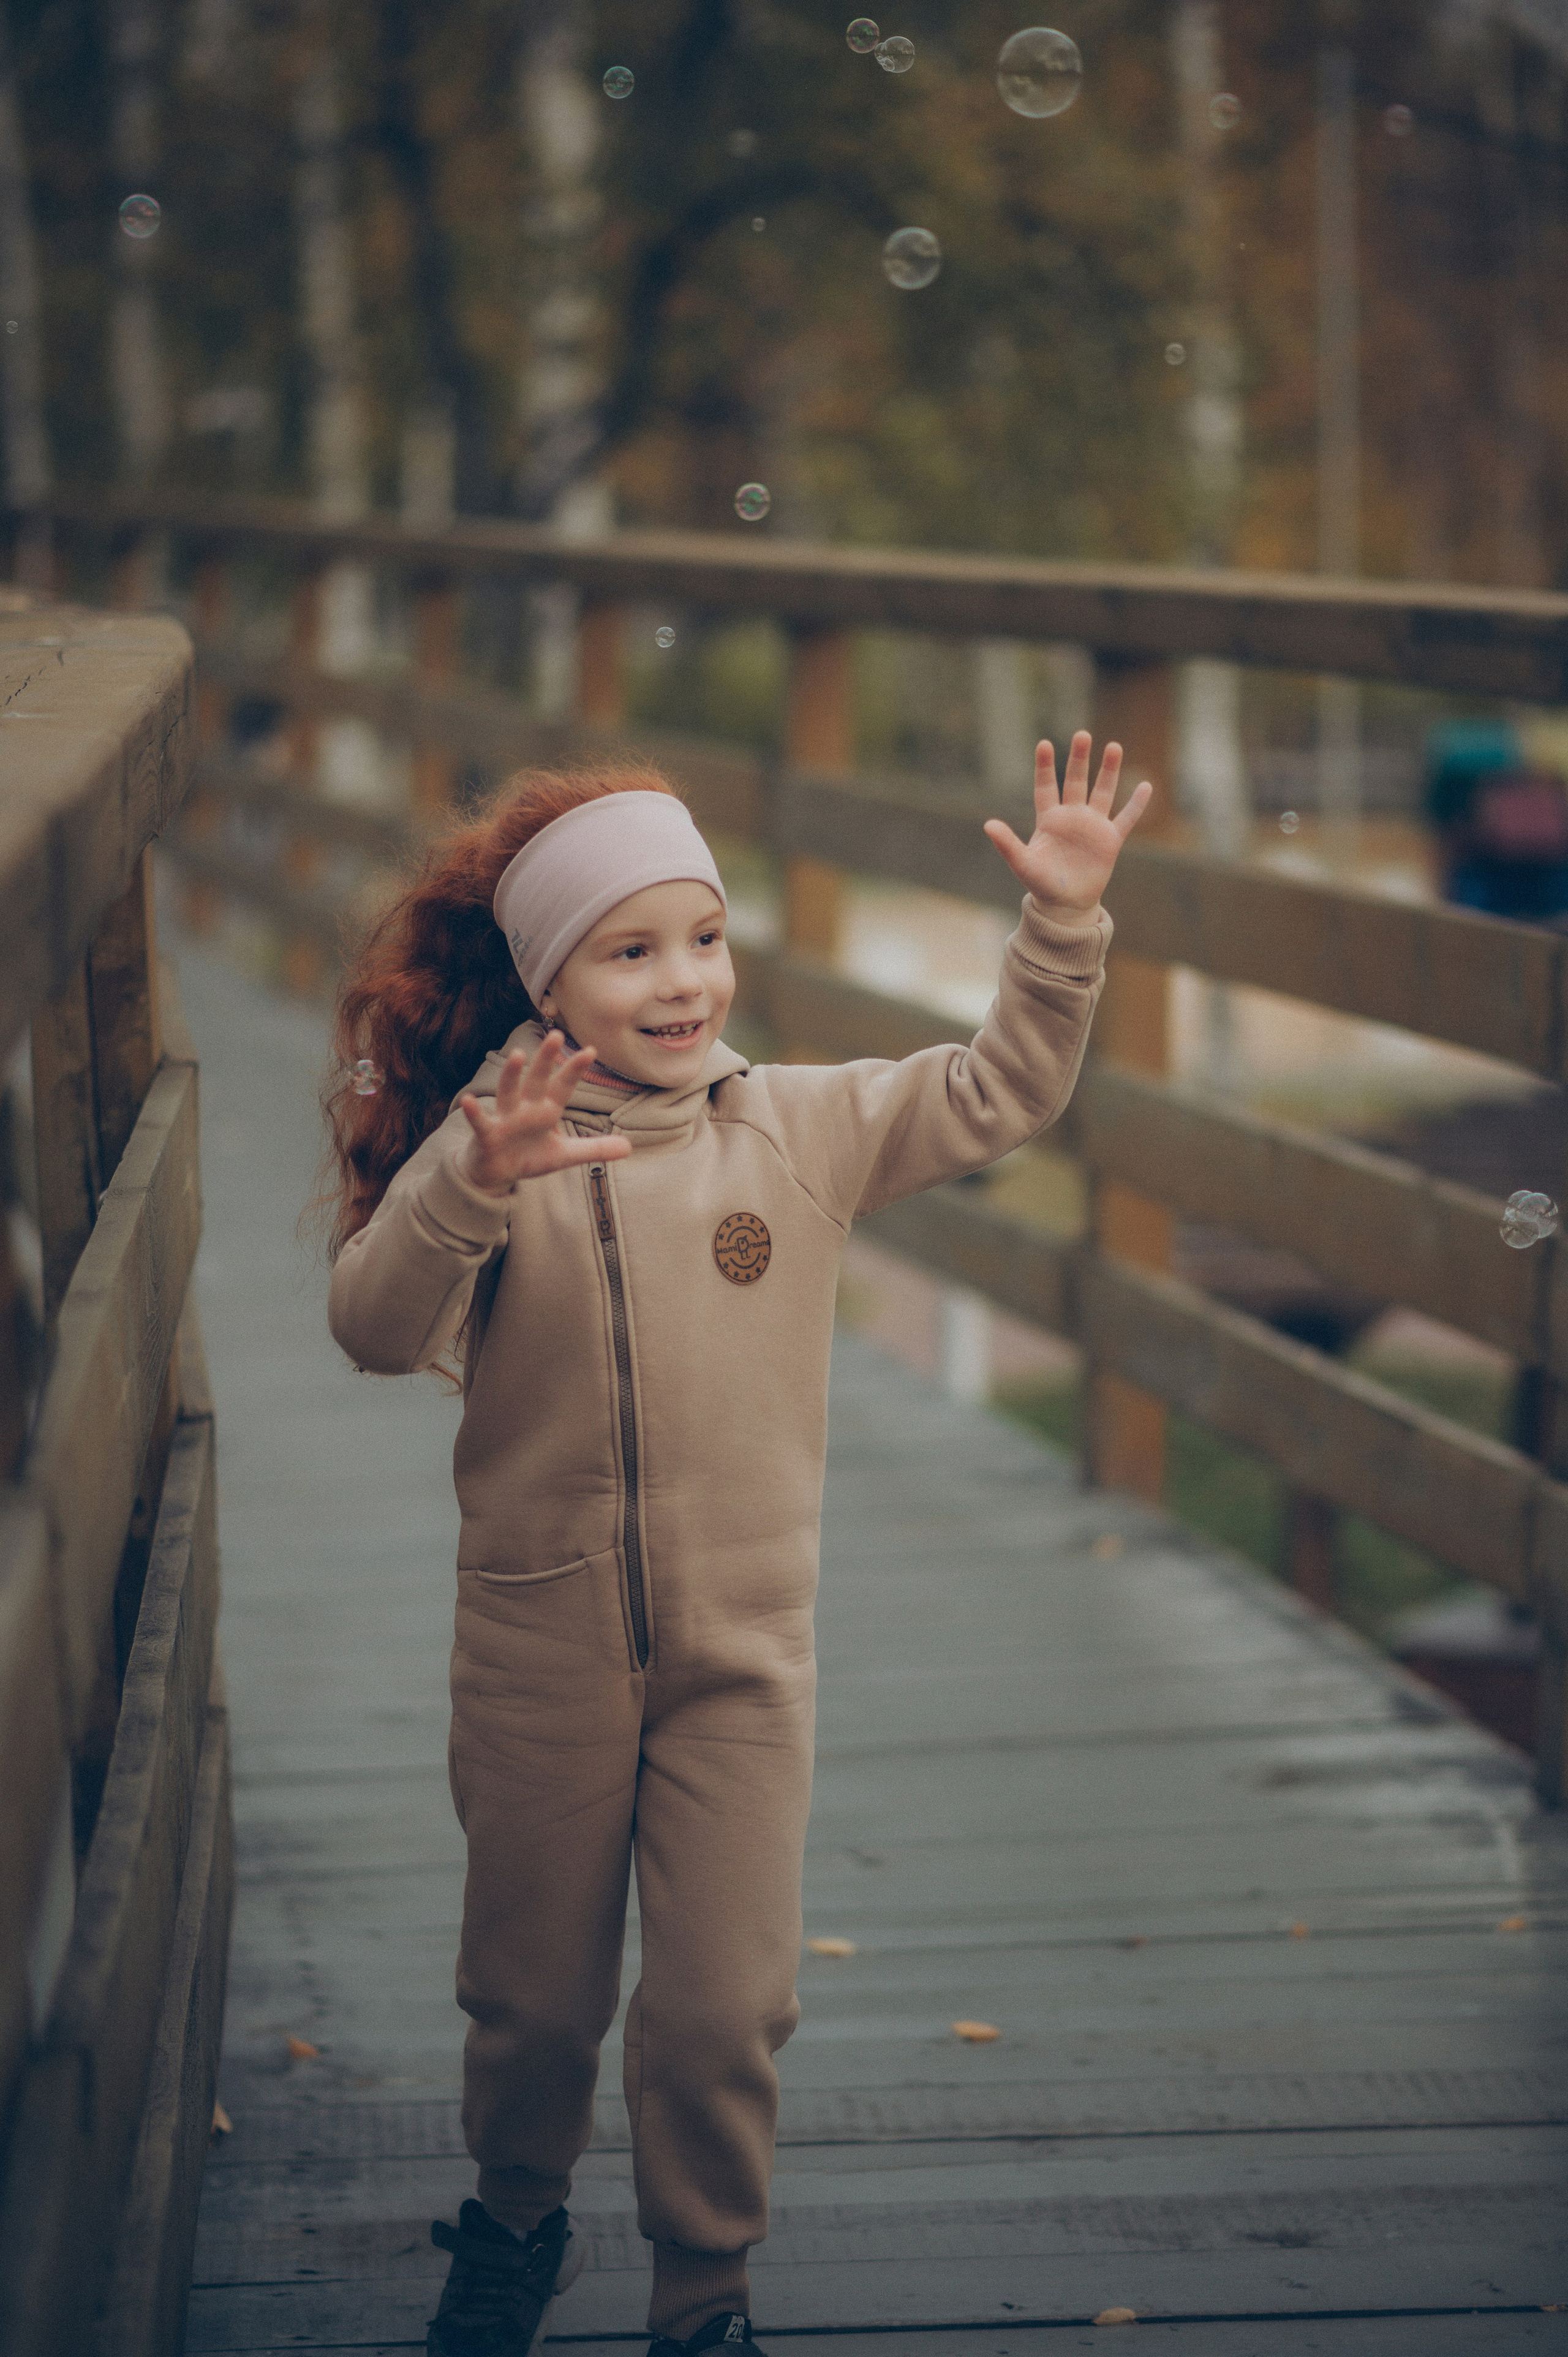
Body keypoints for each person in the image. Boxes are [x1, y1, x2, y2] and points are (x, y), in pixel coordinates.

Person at [321, 733, 1151, 2357]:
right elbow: (369, 1326)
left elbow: (1001, 1089)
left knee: (721, 2011)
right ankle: (514, 2222)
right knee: (537, 2002)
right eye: (630, 952)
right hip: (539, 1656)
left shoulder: (803, 1130)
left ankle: (706, 2298)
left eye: (703, 937)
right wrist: (471, 1185)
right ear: (552, 983)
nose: (684, 980)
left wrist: (1061, 929)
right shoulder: (500, 1148)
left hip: (744, 1667)